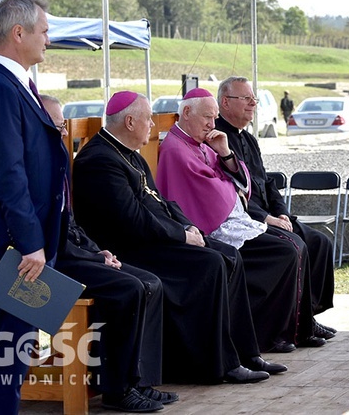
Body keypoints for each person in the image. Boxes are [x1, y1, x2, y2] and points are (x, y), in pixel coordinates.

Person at [72, 91, 286, 384]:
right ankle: (216, 364)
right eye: (148, 119)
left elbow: (161, 202)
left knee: (228, 254)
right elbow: (133, 219)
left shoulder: (127, 152)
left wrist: (189, 227)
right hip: (128, 248)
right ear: (131, 121)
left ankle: (244, 353)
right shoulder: (99, 160)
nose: (152, 125)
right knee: (211, 264)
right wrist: (181, 237)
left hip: (150, 238)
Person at [0, 0, 68, 414]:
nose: (49, 40)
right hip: (15, 243)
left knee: (16, 343)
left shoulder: (13, 82)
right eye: (43, 31)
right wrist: (29, 243)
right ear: (18, 33)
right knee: (10, 346)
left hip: (25, 240)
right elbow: (7, 174)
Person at [156, 88, 325, 352]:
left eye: (214, 118)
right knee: (287, 250)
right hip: (215, 226)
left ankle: (294, 327)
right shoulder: (175, 149)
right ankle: (268, 334)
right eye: (207, 118)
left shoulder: (202, 143)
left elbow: (241, 182)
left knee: (297, 244)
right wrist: (230, 186)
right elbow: (214, 190)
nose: (212, 125)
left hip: (235, 217)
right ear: (187, 113)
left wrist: (224, 152)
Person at [40, 94, 175, 412]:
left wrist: (97, 251)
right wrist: (92, 257)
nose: (61, 132)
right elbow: (50, 238)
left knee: (149, 281)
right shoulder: (34, 165)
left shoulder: (53, 159)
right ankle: (116, 389)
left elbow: (70, 224)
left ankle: (137, 380)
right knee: (128, 288)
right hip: (41, 264)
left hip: (70, 253)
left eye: (62, 126)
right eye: (55, 125)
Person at [215, 77, 336, 339]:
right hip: (248, 219)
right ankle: (288, 326)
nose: (253, 104)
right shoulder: (217, 140)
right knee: (294, 247)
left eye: (254, 99)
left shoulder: (248, 139)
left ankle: (306, 318)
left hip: (271, 214)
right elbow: (231, 192)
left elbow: (266, 182)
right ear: (225, 102)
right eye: (246, 98)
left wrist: (281, 211)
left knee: (320, 243)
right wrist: (268, 218)